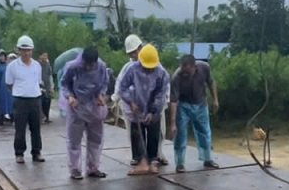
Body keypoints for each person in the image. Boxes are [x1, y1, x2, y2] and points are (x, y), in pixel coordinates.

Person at [115, 34, 169, 166]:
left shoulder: (161, 72)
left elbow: (161, 93)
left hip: (154, 106)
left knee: (156, 132)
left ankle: (153, 157)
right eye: (131, 53)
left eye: (135, 51)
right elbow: (121, 87)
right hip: (135, 107)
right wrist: (131, 102)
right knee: (136, 133)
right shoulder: (130, 69)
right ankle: (139, 158)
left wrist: (153, 110)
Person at [62, 47, 108, 179]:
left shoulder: (101, 67)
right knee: (74, 140)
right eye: (86, 64)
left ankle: (93, 167)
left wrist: (101, 95)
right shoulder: (72, 67)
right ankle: (75, 169)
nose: (88, 67)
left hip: (94, 106)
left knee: (96, 139)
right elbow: (64, 84)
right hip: (77, 106)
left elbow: (105, 83)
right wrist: (70, 96)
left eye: (91, 64)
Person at [170, 54, 219, 172]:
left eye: (187, 72)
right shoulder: (177, 76)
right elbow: (173, 101)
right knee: (181, 135)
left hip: (201, 103)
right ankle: (180, 163)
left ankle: (207, 159)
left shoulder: (204, 67)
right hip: (184, 105)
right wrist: (172, 123)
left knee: (205, 132)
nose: (184, 74)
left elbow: (211, 82)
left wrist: (216, 100)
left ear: (194, 67)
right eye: (182, 70)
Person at [5, 35, 45, 163]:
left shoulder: (37, 65)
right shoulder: (12, 66)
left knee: (36, 128)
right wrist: (18, 93)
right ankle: (19, 153)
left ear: (32, 50)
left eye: (28, 50)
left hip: (35, 99)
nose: (26, 52)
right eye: (23, 49)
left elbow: (38, 82)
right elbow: (9, 84)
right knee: (20, 128)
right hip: (20, 100)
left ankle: (36, 152)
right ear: (18, 50)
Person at [0, 50, 14, 123]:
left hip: (8, 86)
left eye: (3, 56)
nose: (2, 58)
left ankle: (12, 117)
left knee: (10, 102)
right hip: (0, 87)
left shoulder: (9, 66)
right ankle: (1, 119)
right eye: (0, 56)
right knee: (1, 102)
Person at [39, 52, 54, 123]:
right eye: (43, 55)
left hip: (48, 85)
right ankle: (42, 116)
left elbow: (50, 75)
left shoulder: (48, 65)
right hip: (40, 86)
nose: (45, 57)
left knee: (48, 101)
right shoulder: (38, 65)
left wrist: (52, 86)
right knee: (42, 101)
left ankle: (47, 117)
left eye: (46, 56)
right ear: (40, 56)